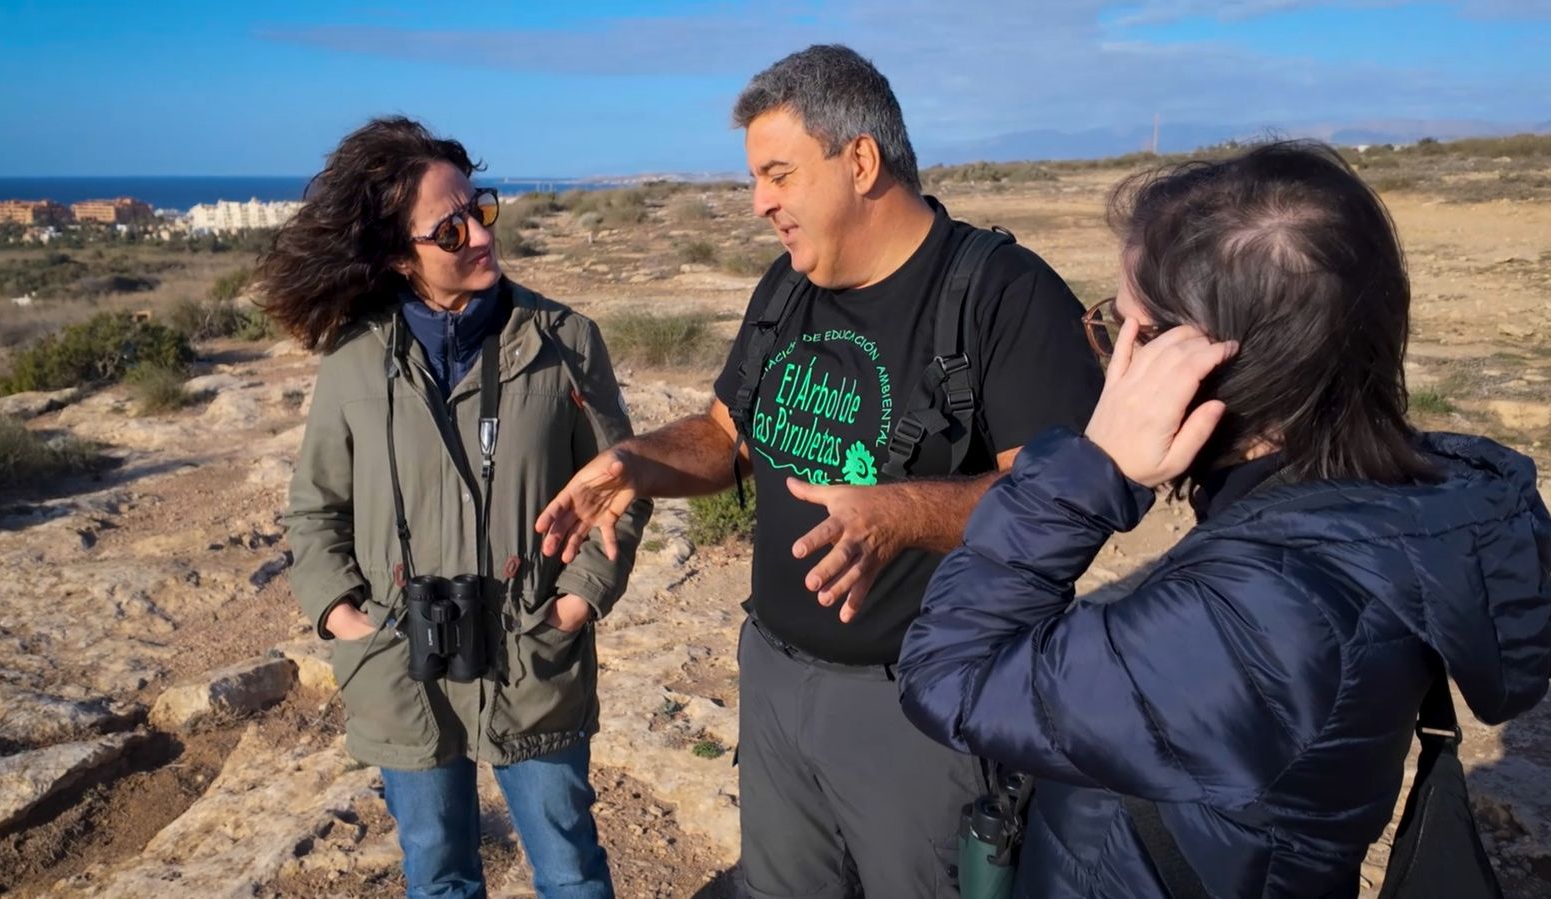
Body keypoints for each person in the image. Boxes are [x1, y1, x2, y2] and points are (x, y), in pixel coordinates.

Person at [897, 140, 1551, 897]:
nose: (1111, 361)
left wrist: (1090, 472)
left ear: (1201, 367)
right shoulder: (1372, 510)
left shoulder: (1264, 612)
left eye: (1126, 330)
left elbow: (948, 673)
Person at [536, 45, 1103, 897]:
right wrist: (635, 462)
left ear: (861, 161)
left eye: (778, 175)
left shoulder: (1003, 295)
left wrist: (903, 513)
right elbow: (724, 434)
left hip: (920, 707)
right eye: (755, 180)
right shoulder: (786, 287)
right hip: (773, 678)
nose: (759, 203)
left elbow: (1062, 500)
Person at [261, 116, 651, 899]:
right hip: (400, 662)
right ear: (399, 254)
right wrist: (343, 615)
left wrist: (575, 602)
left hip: (532, 654)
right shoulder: (354, 359)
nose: (479, 234)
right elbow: (315, 511)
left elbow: (620, 487)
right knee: (438, 872)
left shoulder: (564, 340)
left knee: (571, 869)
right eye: (449, 228)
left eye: (481, 209)